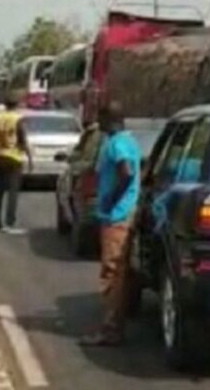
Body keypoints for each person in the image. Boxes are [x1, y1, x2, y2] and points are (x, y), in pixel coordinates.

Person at [80, 101, 141, 347]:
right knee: (119, 271)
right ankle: (114, 324)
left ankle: (111, 329)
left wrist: (110, 202)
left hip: (117, 216)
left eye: (101, 118)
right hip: (121, 213)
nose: (99, 124)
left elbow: (126, 173)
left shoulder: (117, 143)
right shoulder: (128, 140)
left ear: (109, 119)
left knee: (112, 272)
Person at [0, 93, 32, 233]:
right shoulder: (17, 119)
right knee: (13, 191)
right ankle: (9, 223)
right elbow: (22, 138)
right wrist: (30, 158)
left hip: (0, 155)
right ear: (16, 105)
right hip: (14, 156)